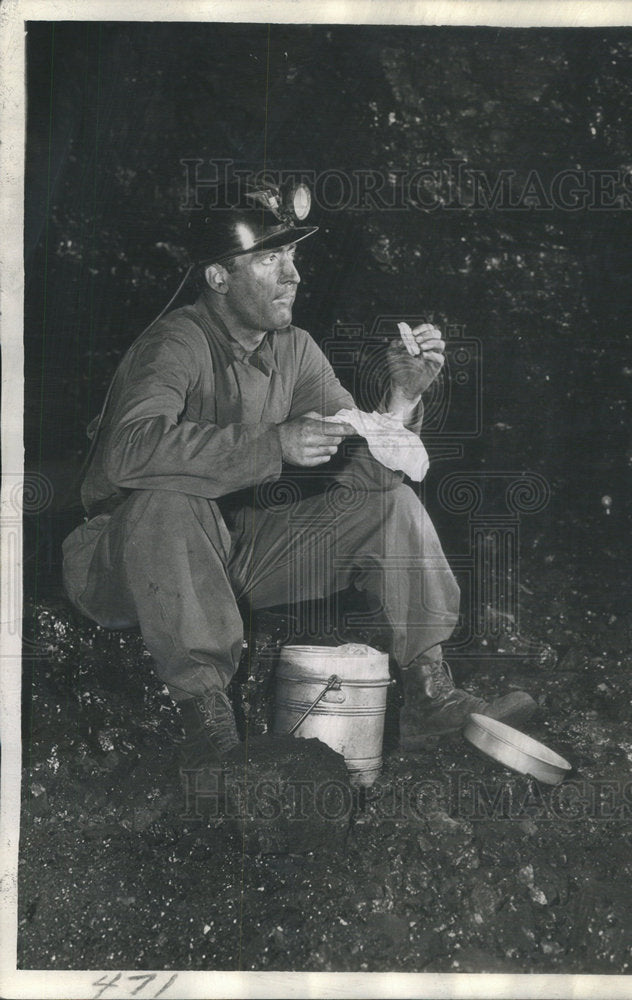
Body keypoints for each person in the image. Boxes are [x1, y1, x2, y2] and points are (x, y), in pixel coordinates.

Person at [61, 178, 536, 775]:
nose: (293, 275)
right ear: (218, 277)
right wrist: (271, 444)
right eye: (270, 258)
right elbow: (127, 454)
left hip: (228, 551)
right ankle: (208, 726)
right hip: (127, 556)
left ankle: (429, 694)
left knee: (393, 510)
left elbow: (373, 473)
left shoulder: (295, 350)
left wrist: (400, 400)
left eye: (293, 256)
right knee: (170, 501)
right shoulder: (175, 341)